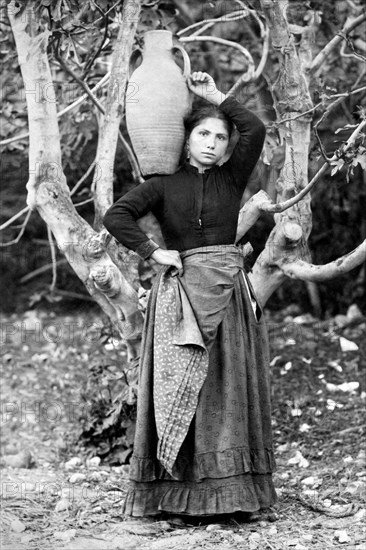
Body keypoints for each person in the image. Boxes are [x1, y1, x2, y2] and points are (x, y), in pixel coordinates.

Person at [103, 72, 277, 521]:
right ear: (185, 140)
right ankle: (176, 497)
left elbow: (254, 129)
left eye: (221, 137)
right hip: (180, 299)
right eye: (204, 133)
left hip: (228, 296)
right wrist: (154, 251)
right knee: (183, 390)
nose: (214, 143)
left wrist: (216, 97)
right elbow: (116, 215)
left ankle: (237, 497)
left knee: (229, 386)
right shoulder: (163, 185)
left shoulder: (231, 178)